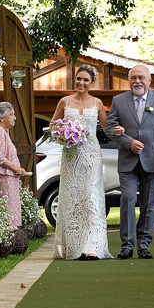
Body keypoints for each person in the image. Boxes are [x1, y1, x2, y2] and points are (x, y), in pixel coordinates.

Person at [104, 64, 154, 259]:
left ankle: (144, 244)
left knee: (149, 204)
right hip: (128, 161)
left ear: (149, 80)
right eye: (133, 78)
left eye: (141, 78)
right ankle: (127, 245)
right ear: (129, 81)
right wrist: (128, 142)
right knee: (127, 199)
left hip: (153, 160)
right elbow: (109, 128)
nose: (137, 81)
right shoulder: (119, 101)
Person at [51, 64, 111, 260]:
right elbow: (53, 126)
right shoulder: (64, 102)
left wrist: (118, 131)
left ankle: (93, 246)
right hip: (71, 156)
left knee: (91, 199)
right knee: (73, 200)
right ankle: (74, 247)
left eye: (86, 80)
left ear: (92, 83)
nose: (81, 83)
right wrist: (62, 134)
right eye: (79, 79)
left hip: (92, 156)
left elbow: (107, 128)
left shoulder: (98, 103)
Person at [0, 101, 29, 227]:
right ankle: (9, 242)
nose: (14, 118)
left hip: (3, 177)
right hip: (4, 178)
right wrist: (17, 168)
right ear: (1, 117)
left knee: (7, 211)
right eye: (11, 114)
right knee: (8, 212)